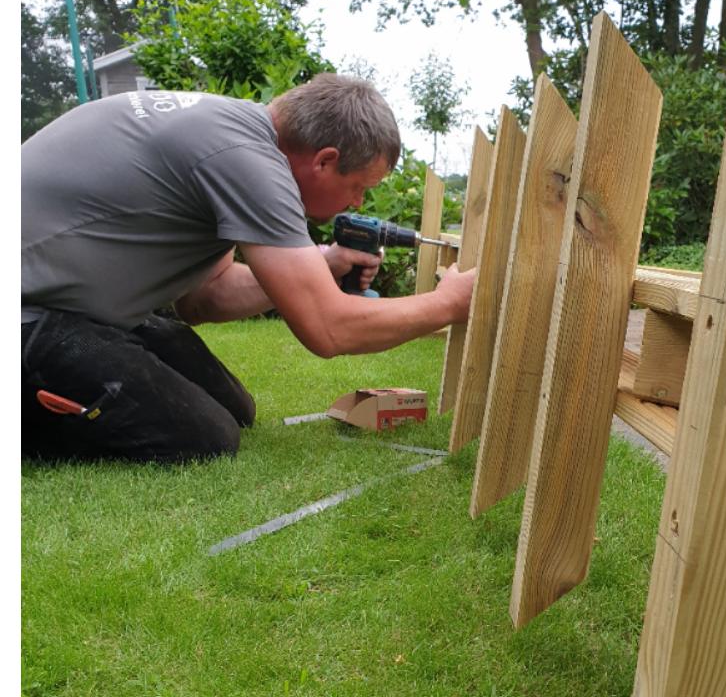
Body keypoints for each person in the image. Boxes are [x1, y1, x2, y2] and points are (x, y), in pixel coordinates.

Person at [21, 73, 475, 464]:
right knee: (202, 437)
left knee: (234, 409)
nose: (357, 202)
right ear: (324, 160)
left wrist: (322, 262)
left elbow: (206, 296)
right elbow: (328, 328)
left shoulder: (231, 132)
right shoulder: (247, 157)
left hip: (68, 308)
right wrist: (449, 303)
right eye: (357, 187)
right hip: (27, 317)